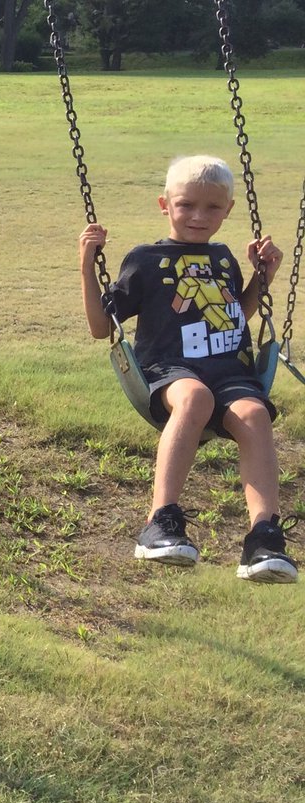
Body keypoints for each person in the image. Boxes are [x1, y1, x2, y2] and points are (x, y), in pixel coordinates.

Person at [79, 155, 295, 583]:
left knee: (254, 414)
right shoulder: (145, 258)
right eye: (186, 205)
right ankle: (160, 521)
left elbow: (236, 314)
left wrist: (261, 279)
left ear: (228, 209)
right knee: (195, 398)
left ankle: (262, 537)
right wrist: (87, 266)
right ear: (165, 204)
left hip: (229, 368)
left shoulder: (223, 258)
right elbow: (102, 327)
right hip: (171, 369)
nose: (199, 216)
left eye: (212, 208)